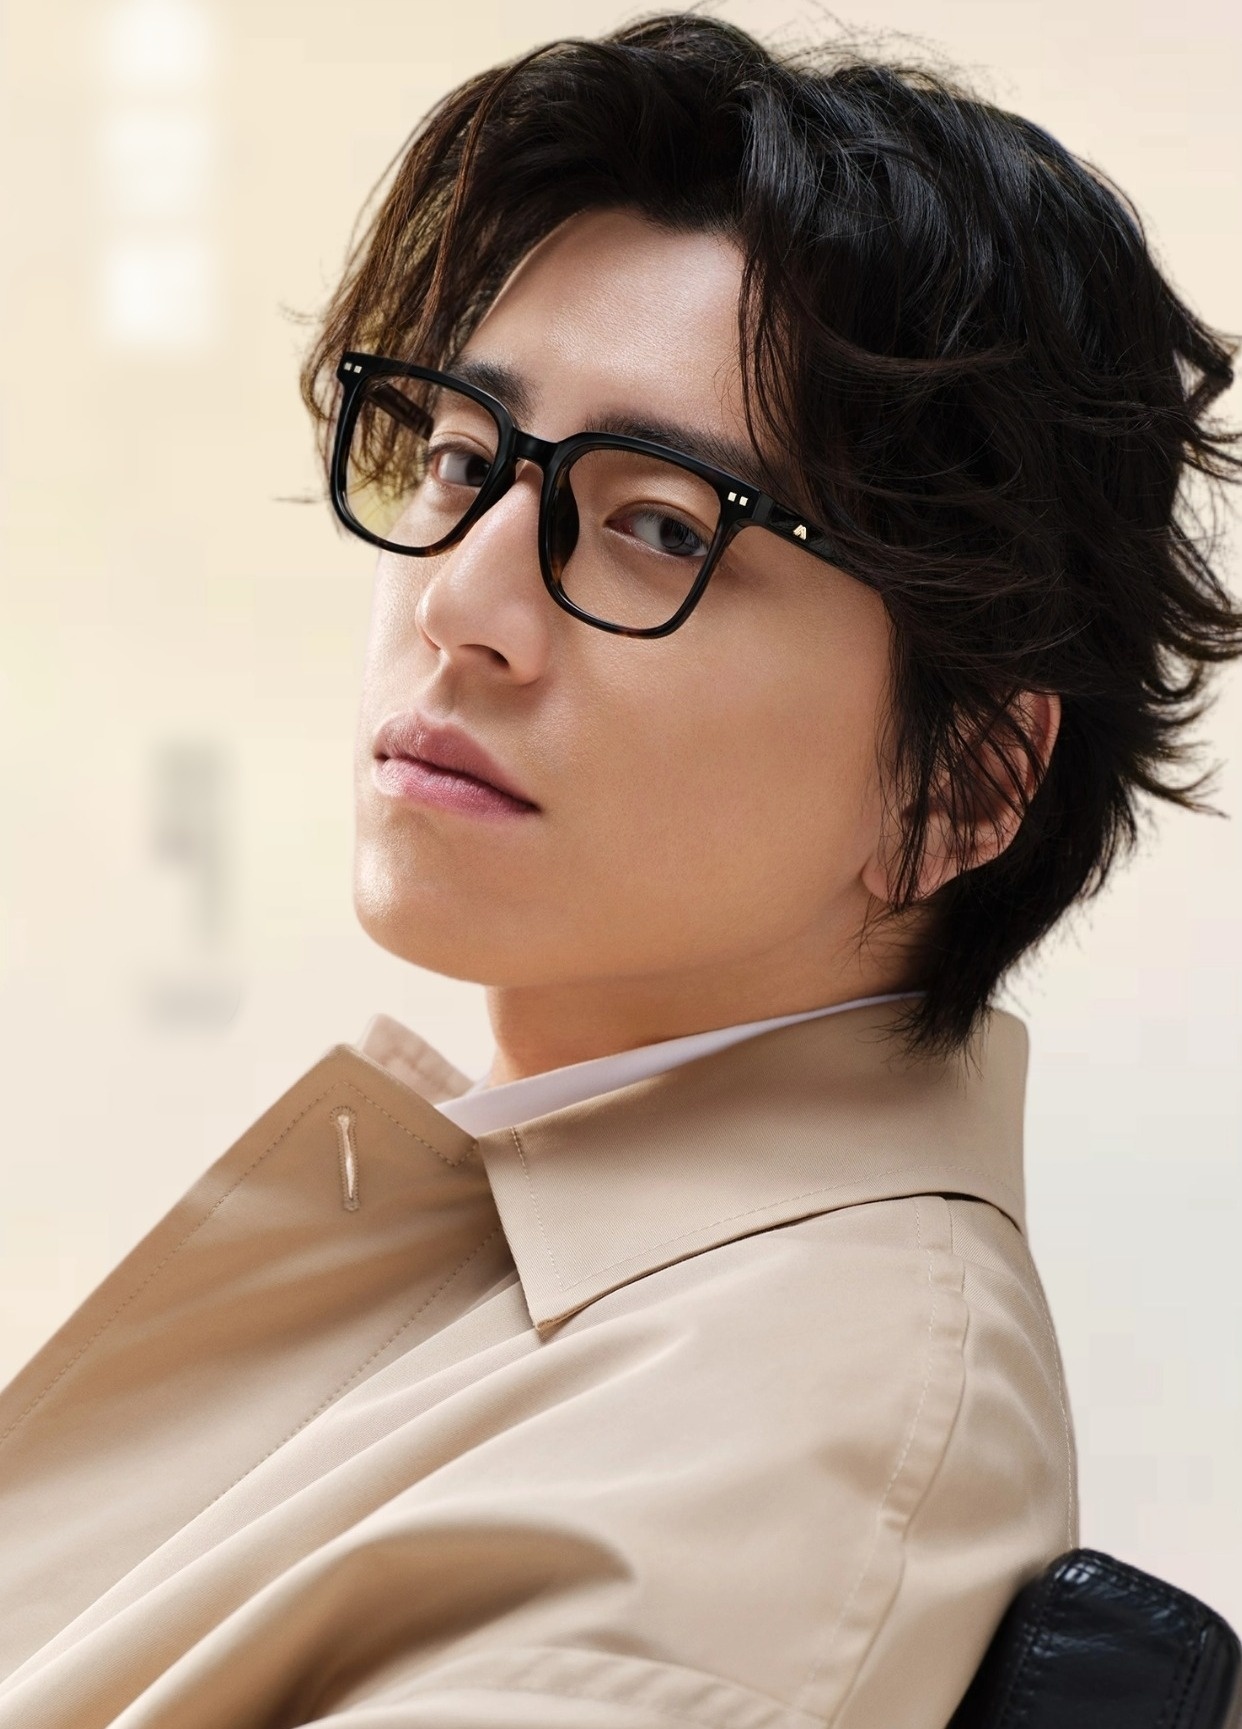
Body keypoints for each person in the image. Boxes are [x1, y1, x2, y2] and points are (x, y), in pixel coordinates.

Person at [0, 13, 1238, 1728]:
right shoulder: (583, 1276)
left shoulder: (768, 1460)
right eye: (461, 459)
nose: (461, 603)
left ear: (959, 783)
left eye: (662, 525)